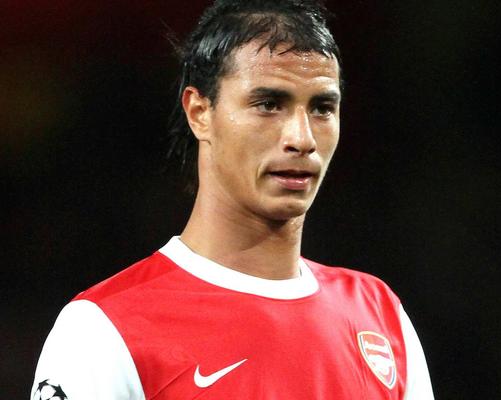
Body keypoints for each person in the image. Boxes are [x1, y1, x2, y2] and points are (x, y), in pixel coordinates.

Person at [31, 1, 434, 399]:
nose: (302, 139)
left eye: (322, 108)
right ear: (199, 112)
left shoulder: (381, 319)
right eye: (269, 105)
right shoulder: (102, 332)